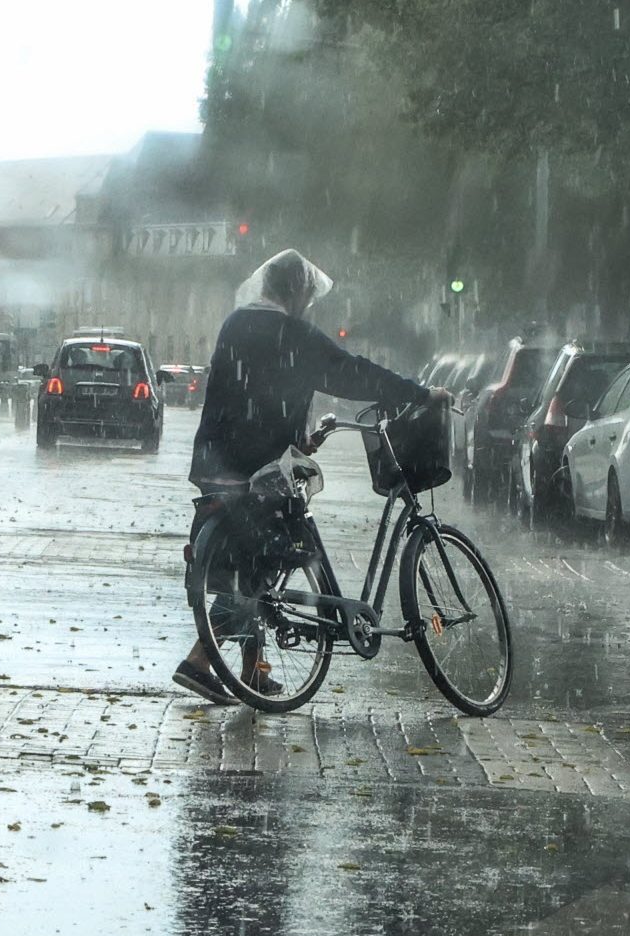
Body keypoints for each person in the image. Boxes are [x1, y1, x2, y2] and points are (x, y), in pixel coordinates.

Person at [173, 249, 447, 704]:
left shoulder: (236, 324)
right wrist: (419, 392)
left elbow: (247, 395)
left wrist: (296, 439)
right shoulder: (293, 332)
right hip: (259, 469)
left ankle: (253, 671)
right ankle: (201, 659)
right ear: (297, 292)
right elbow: (351, 373)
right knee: (272, 558)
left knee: (248, 559)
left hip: (217, 463)